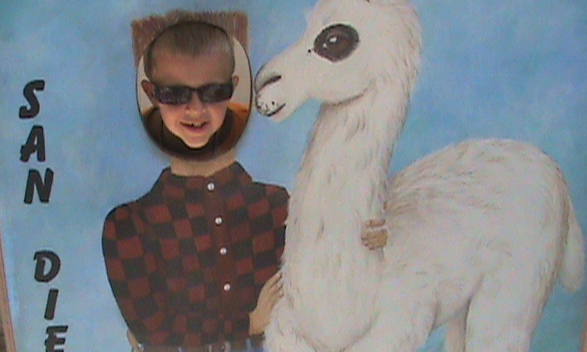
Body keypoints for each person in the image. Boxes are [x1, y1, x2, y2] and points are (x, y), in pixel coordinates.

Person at [102, 19, 386, 352]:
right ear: (153, 95)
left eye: (213, 92)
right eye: (175, 94)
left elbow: (324, 290)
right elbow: (153, 328)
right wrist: (247, 323)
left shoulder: (277, 207)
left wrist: (367, 242)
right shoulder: (130, 226)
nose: (195, 109)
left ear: (232, 90)